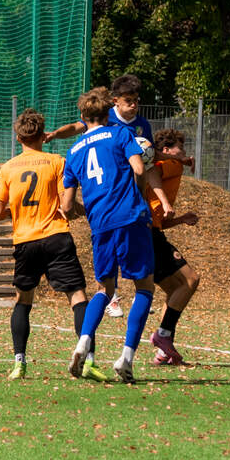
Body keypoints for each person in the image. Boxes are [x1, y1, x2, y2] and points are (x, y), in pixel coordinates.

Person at [61, 87, 173, 383]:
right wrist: (138, 186)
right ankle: (126, 358)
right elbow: (139, 169)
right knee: (144, 288)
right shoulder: (121, 134)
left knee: (104, 289)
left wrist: (90, 208)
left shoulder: (73, 152)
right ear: (107, 113)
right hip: (131, 217)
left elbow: (67, 206)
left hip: (101, 223)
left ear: (83, 116)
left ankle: (83, 342)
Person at [0, 109, 100, 381]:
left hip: (26, 241)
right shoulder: (57, 162)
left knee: (23, 300)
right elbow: (66, 205)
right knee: (77, 297)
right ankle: (88, 361)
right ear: (43, 136)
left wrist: (17, 211)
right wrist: (79, 210)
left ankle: (19, 363)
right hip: (56, 237)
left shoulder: (8, 168)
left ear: (18, 138)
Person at [45, 74, 160, 317]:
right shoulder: (114, 129)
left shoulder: (140, 125)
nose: (134, 105)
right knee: (140, 282)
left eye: (137, 100)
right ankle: (127, 299)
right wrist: (55, 134)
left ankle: (93, 326)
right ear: (114, 103)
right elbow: (77, 127)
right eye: (129, 100)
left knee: (105, 280)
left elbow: (149, 161)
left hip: (105, 210)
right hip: (123, 205)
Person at [144, 129, 201, 366]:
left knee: (175, 289)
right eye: (181, 148)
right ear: (167, 151)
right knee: (190, 280)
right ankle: (162, 335)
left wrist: (181, 219)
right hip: (148, 234)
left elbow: (162, 221)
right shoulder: (170, 165)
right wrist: (182, 161)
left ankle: (163, 351)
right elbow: (152, 168)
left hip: (150, 232)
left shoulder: (170, 167)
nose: (185, 152)